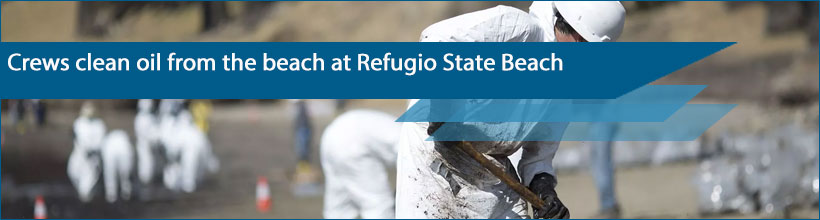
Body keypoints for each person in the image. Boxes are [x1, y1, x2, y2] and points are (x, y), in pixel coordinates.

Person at [396, 2, 626, 218]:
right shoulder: (517, 28)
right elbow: (436, 38)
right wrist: (443, 106)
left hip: (492, 166)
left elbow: (538, 158)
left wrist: (545, 192)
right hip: (435, 153)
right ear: (577, 35)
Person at [320, 109, 402, 219]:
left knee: (339, 204)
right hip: (353, 144)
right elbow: (410, 164)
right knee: (377, 204)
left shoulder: (397, 126)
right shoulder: (409, 137)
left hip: (331, 135)